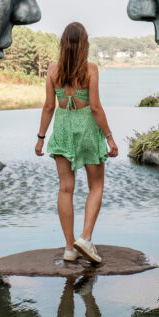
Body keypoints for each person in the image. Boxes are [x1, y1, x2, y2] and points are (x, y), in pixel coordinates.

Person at [35, 22, 118, 264]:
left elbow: (49, 106)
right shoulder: (90, 69)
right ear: (84, 45)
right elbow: (95, 107)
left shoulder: (52, 70)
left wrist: (40, 138)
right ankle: (85, 238)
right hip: (87, 130)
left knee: (65, 188)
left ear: (63, 44)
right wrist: (109, 137)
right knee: (96, 186)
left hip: (62, 128)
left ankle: (70, 248)